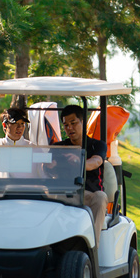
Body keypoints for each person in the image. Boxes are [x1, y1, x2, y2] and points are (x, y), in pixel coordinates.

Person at [53, 104, 108, 246]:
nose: (69, 128)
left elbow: (96, 161)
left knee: (101, 197)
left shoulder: (97, 145)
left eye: (73, 123)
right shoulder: (58, 147)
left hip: (87, 195)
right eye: (65, 125)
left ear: (83, 122)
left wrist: (79, 161)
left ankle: (91, 247)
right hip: (62, 194)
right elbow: (45, 166)